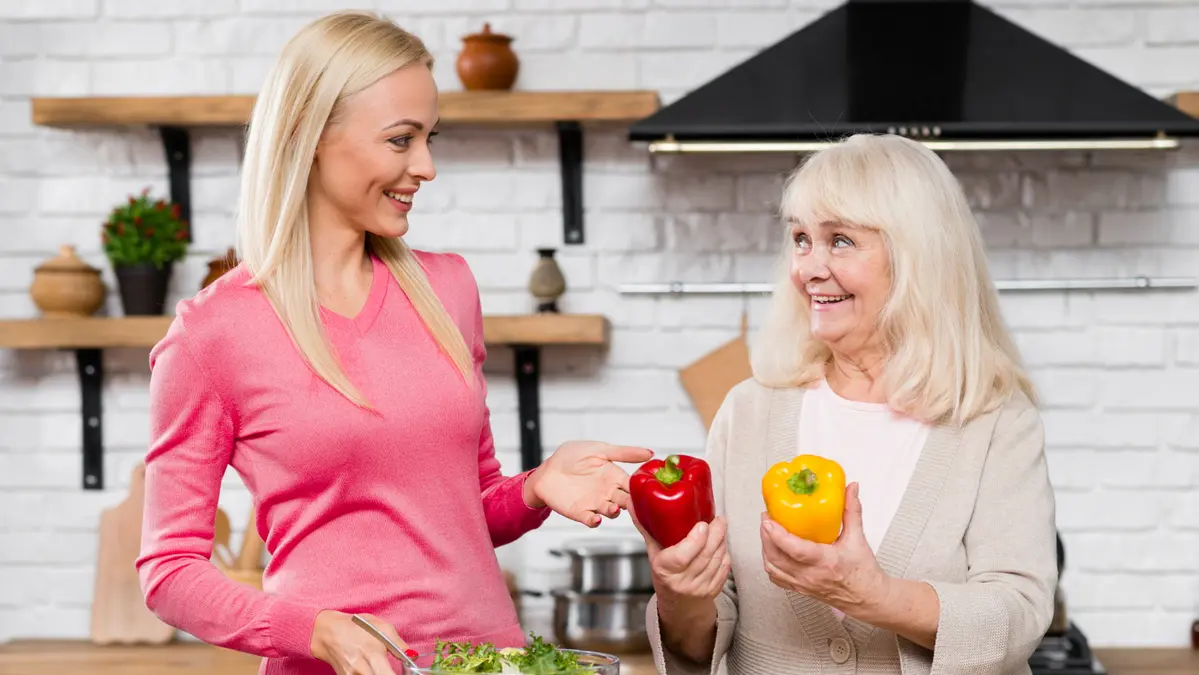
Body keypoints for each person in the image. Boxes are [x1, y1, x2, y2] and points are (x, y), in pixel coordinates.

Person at [135, 11, 653, 675]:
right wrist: (314, 628)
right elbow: (168, 570)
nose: (427, 167)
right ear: (312, 136)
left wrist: (535, 488)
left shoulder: (449, 289)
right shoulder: (213, 333)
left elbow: (464, 515)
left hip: (490, 662)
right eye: (400, 140)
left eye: (429, 138)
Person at [631, 134, 1058, 675]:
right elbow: (701, 638)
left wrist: (872, 594)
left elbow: (1020, 613)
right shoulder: (749, 411)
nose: (808, 267)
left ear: (917, 260)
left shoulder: (996, 419)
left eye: (840, 241)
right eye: (801, 239)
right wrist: (681, 593)